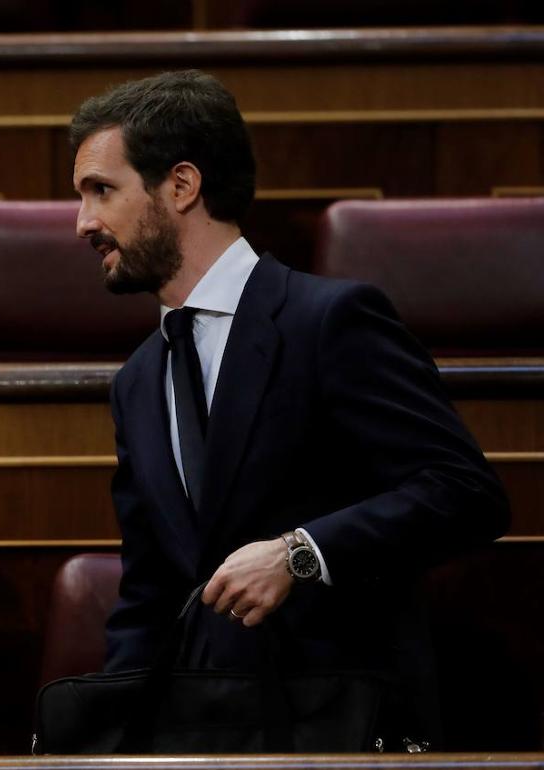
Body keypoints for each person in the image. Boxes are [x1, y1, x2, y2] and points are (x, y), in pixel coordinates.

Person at [70, 70, 509, 748]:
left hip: (344, 726)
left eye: (102, 191)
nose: (83, 224)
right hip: (208, 737)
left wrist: (300, 553)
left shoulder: (329, 321)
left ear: (181, 186)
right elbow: (149, 593)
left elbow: (465, 493)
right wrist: (112, 745)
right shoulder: (137, 379)